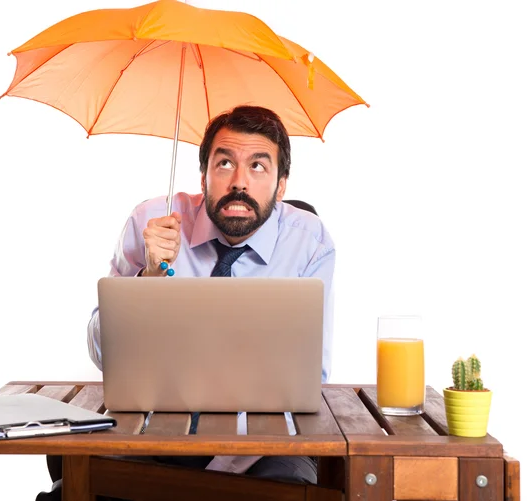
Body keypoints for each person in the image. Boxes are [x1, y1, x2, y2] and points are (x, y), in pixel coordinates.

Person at [36, 105, 336, 501]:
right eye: (224, 163)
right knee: (69, 491)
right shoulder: (152, 221)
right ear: (204, 175)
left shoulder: (309, 241)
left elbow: (312, 373)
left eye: (259, 166)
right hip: (152, 433)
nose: (239, 182)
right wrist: (150, 278)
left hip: (262, 445)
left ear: (281, 186)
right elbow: (101, 352)